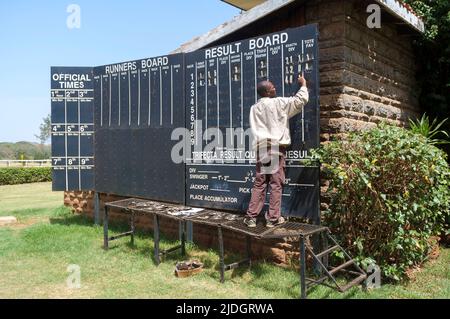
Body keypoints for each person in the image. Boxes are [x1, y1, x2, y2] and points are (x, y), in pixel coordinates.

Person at [244, 75, 309, 228]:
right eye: (272, 87)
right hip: (275, 148)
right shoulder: (278, 103)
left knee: (260, 183)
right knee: (275, 183)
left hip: (261, 150)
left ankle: (251, 217)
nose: (275, 88)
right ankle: (273, 218)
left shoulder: (254, 108)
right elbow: (300, 101)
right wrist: (304, 84)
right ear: (266, 92)